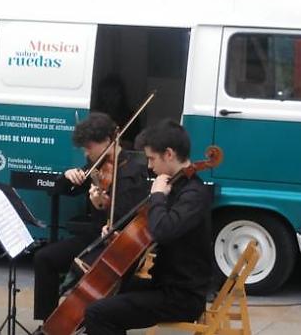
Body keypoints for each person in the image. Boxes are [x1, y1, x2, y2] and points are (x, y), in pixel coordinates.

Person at [82, 120, 213, 335]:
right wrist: (120, 236)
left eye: (152, 158)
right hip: (163, 283)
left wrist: (158, 195)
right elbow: (151, 231)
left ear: (169, 154)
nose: (150, 166)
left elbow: (163, 230)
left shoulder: (193, 194)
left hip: (182, 296)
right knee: (108, 288)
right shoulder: (175, 187)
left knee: (98, 313)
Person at [32, 112, 150, 327]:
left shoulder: (136, 168)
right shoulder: (96, 165)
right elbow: (63, 190)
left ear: (108, 140)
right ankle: (48, 323)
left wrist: (103, 205)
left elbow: (132, 213)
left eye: (89, 147)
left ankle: (83, 323)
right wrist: (67, 176)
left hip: (118, 243)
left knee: (83, 270)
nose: (86, 153)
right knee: (44, 258)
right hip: (94, 236)